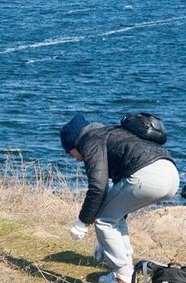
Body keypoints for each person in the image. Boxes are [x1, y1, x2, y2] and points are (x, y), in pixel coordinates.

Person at [60, 114, 179, 283]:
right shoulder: (111, 134)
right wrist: (105, 241)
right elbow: (116, 201)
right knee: (113, 217)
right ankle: (125, 269)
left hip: (148, 175)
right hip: (171, 174)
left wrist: (82, 223)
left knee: (103, 220)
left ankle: (122, 276)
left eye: (70, 153)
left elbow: (97, 187)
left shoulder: (90, 141)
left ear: (74, 144)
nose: (74, 158)